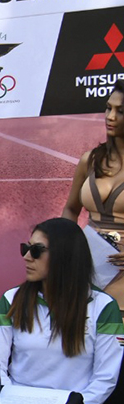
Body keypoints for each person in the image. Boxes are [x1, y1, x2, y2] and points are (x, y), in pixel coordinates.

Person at [0, 218, 124, 404]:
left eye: (36, 250)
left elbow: (105, 379)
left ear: (65, 256)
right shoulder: (11, 300)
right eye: (26, 248)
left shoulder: (102, 307)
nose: (26, 256)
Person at [62, 80, 124, 307]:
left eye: (121, 111)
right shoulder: (90, 160)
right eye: (109, 108)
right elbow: (71, 208)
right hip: (87, 272)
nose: (110, 116)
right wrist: (65, 246)